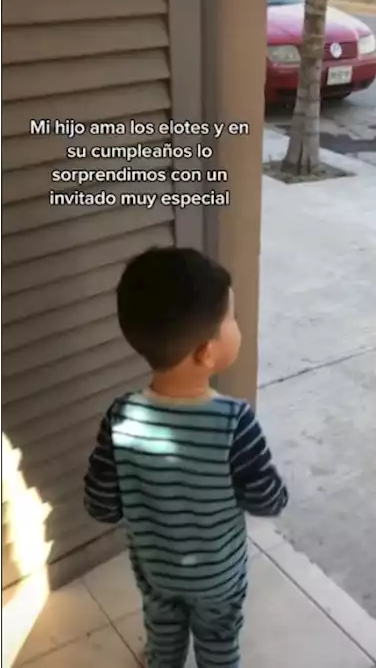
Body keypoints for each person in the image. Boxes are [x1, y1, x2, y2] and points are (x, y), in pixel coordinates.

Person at [83, 247, 289, 668]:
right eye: (231, 319)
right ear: (206, 352)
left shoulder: (120, 416)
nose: (238, 326)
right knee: (218, 642)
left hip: (156, 569)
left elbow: (100, 505)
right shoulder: (235, 423)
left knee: (164, 635)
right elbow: (268, 500)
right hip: (218, 577)